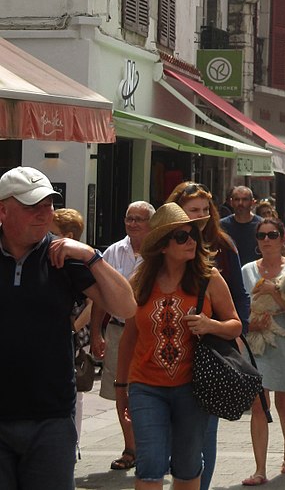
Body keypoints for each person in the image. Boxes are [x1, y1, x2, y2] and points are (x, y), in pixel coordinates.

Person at [0, 166, 135, 490]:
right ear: (3, 210)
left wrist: (91, 256)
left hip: (51, 418)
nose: (43, 213)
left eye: (48, 205)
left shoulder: (64, 257)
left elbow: (126, 307)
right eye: (32, 206)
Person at [116, 202, 241, 490]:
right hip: (146, 387)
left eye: (193, 235)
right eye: (182, 236)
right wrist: (121, 388)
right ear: (162, 246)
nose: (191, 242)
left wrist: (211, 325)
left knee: (187, 464)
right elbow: (129, 339)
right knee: (150, 464)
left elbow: (235, 325)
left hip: (193, 387)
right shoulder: (140, 282)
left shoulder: (208, 278)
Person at [166, 181, 250, 490]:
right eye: (193, 211)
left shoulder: (222, 245)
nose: (200, 217)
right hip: (170, 346)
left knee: (205, 433)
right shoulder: (164, 243)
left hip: (211, 347)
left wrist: (237, 334)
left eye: (205, 210)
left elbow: (239, 297)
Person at [241, 216, 285, 484]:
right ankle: (260, 469)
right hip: (255, 342)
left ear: (282, 238)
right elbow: (239, 303)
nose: (266, 240)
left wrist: (274, 291)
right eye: (261, 236)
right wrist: (249, 321)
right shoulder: (246, 270)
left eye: (272, 235)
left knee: (284, 403)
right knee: (259, 404)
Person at [90, 199, 155, 472]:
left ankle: (153, 448)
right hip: (118, 329)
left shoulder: (160, 252)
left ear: (151, 224)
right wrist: (96, 332)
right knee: (122, 391)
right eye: (129, 218)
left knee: (153, 390)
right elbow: (101, 296)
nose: (133, 223)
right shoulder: (114, 252)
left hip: (150, 332)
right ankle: (131, 449)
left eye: (139, 219)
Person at [52, 208, 93, 455]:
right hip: (62, 333)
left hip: (76, 337)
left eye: (53, 233)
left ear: (68, 235)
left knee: (76, 392)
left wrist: (71, 329)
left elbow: (93, 304)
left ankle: (73, 444)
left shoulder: (81, 262)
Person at [220, 186, 261, 265]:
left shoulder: (261, 225)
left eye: (245, 199)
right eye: (237, 199)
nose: (240, 203)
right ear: (231, 202)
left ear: (252, 202)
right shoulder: (221, 226)